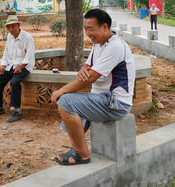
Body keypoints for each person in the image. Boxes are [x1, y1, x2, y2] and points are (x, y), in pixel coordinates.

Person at [50, 9, 135, 166]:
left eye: (91, 28)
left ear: (104, 27)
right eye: (85, 28)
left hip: (115, 103)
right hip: (102, 98)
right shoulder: (99, 44)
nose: (87, 33)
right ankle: (77, 148)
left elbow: (90, 77)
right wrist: (84, 69)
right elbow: (87, 68)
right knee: (70, 96)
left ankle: (82, 154)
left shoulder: (115, 46)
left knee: (66, 100)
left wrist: (61, 90)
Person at [0, 14, 35, 123]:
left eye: (13, 26)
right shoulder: (9, 37)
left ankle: (17, 111)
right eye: (8, 27)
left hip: (25, 65)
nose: (10, 29)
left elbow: (30, 56)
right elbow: (7, 53)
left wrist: (21, 67)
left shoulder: (27, 37)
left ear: (18, 25)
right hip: (12, 65)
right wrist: (3, 65)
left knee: (14, 82)